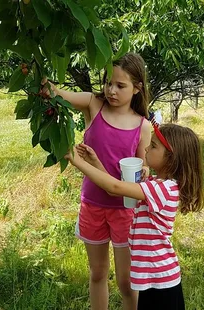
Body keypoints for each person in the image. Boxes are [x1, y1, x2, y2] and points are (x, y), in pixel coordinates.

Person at [41, 53, 151, 310]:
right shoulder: (93, 104)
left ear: (137, 88)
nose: (111, 90)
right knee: (98, 273)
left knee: (126, 283)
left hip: (125, 211)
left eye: (120, 86)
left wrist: (145, 169)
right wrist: (41, 75)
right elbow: (58, 94)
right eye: (108, 83)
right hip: (93, 205)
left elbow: (143, 164)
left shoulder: (142, 126)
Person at [65, 123, 204, 310]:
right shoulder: (155, 184)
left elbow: (113, 187)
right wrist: (95, 162)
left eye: (153, 146)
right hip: (151, 278)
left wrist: (77, 162)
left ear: (171, 158)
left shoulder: (163, 189)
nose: (146, 148)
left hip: (160, 280)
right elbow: (117, 190)